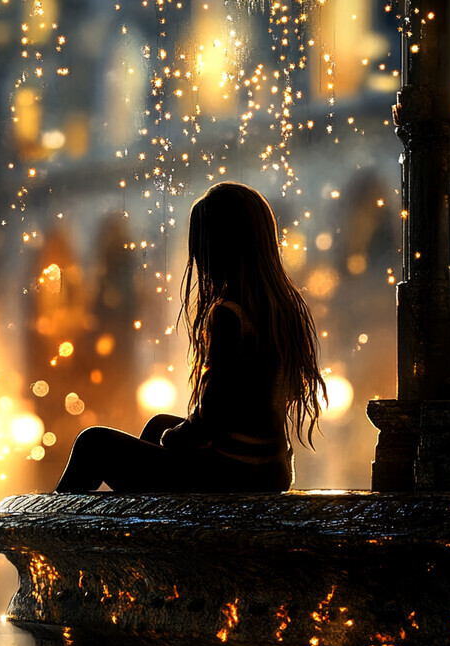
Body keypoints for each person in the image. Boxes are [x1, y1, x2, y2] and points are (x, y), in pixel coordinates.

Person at [54, 181, 326, 493]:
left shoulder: (229, 314)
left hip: (230, 471)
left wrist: (174, 438)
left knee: (94, 442)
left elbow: (212, 414)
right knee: (158, 423)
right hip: (270, 470)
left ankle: (44, 532)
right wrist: (169, 433)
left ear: (220, 246)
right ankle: (142, 515)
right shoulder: (280, 307)